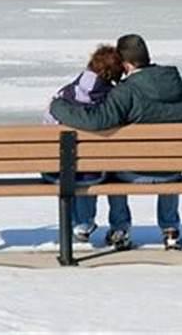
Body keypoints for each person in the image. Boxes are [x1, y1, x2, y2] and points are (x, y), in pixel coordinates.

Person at [49, 34, 182, 251]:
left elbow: (96, 121)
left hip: (132, 170)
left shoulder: (126, 91)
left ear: (126, 64)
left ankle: (121, 228)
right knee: (167, 158)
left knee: (111, 165)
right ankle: (170, 229)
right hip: (173, 170)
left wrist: (59, 107)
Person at [41, 45, 125, 243]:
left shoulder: (65, 95)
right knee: (107, 165)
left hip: (58, 169)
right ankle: (119, 226)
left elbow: (46, 125)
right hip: (99, 170)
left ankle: (83, 223)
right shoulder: (113, 99)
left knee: (77, 164)